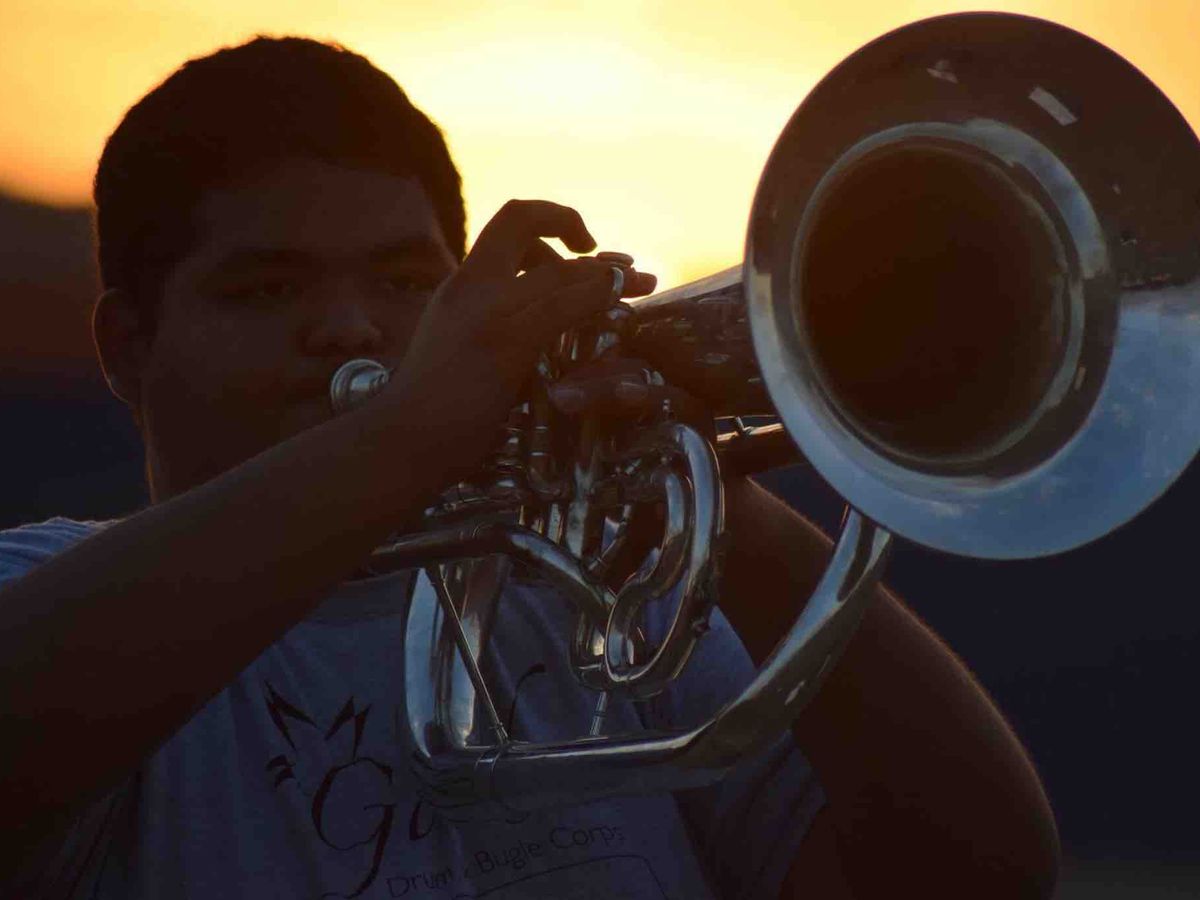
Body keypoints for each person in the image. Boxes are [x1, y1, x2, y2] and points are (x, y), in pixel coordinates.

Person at [0, 37, 1059, 899]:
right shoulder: (43, 585)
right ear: (126, 349)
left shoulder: (616, 617)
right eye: (267, 291)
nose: (351, 328)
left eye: (406, 282)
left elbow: (979, 873)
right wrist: (407, 437)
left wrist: (725, 501)